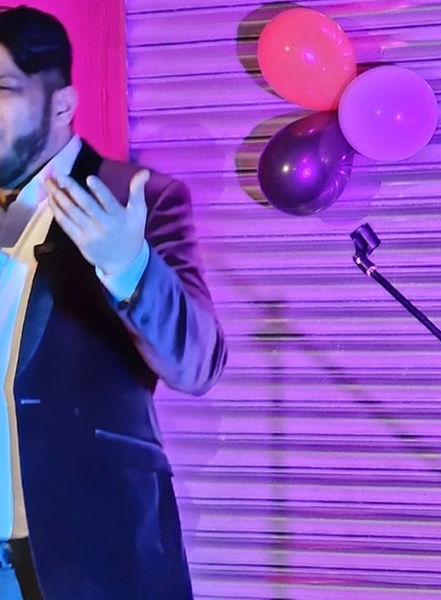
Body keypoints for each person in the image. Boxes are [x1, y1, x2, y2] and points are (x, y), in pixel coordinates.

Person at [0, 5, 227, 600]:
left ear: (61, 105)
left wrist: (129, 266)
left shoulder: (135, 198)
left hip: (85, 555)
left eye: (2, 89)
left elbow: (198, 363)